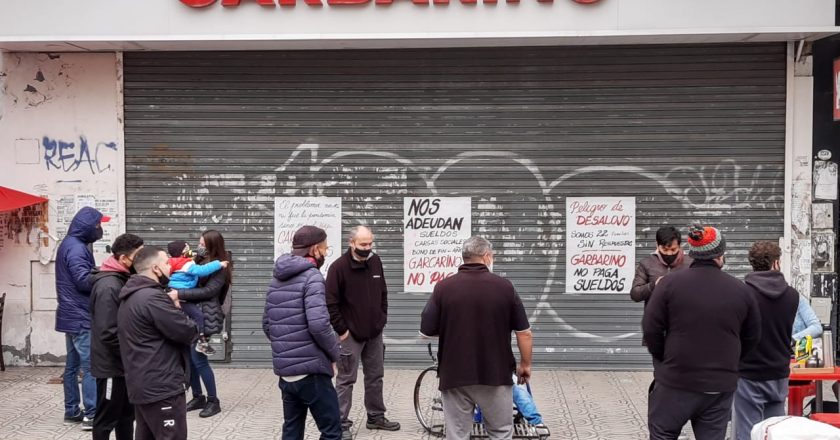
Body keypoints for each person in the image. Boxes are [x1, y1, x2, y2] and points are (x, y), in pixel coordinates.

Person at [643, 224, 761, 440]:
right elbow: (752, 337)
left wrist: (664, 360)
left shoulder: (669, 285)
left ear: (691, 253)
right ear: (720, 254)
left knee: (662, 434)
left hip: (675, 381)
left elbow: (651, 329)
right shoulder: (741, 290)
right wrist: (730, 364)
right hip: (718, 388)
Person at [420, 236, 533, 440]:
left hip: (454, 375)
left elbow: (425, 331)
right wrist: (525, 365)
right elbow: (524, 333)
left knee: (457, 434)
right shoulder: (505, 287)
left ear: (464, 258)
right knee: (500, 432)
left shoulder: (443, 288)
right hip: (496, 375)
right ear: (487, 257)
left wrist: (453, 326)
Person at [263, 225, 342, 440]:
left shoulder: (277, 278)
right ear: (315, 249)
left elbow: (267, 324)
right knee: (333, 431)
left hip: (287, 374)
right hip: (312, 372)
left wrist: (287, 347)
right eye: (325, 248)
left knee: (292, 429)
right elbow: (319, 325)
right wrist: (334, 354)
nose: (326, 253)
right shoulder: (312, 277)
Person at [118, 246, 199, 440]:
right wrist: (178, 308)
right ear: (155, 268)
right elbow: (187, 331)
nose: (170, 267)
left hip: (144, 383)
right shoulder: (153, 298)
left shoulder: (131, 295)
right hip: (161, 387)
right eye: (166, 263)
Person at [326, 225, 399, 438]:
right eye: (363, 244)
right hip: (349, 335)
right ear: (351, 243)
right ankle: (340, 423)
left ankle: (375, 417)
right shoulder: (338, 268)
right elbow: (330, 302)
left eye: (370, 244)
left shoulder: (375, 262)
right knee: (346, 379)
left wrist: (381, 319)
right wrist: (341, 330)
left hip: (374, 333)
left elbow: (383, 293)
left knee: (376, 376)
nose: (368, 248)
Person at [733, 241, 798, 440]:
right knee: (775, 431)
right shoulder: (792, 296)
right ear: (776, 263)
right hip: (778, 371)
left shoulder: (741, 294)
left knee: (748, 431)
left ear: (752, 264)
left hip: (748, 372)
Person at [56, 206, 109, 429]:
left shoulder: (70, 244)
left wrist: (94, 270)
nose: (100, 228)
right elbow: (82, 280)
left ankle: (71, 411)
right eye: (98, 225)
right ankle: (92, 414)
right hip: (80, 315)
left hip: (70, 314)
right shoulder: (77, 248)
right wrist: (104, 273)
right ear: (88, 226)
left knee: (71, 366)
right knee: (90, 366)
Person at [169, 230, 232, 418]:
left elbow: (209, 291)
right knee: (189, 358)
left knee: (199, 359)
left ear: (212, 245)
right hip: (189, 314)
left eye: (203, 243)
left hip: (206, 315)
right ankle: (198, 396)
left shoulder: (221, 266)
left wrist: (179, 294)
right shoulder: (196, 260)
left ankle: (213, 400)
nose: (199, 246)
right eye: (199, 242)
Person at [89, 233, 144, 440]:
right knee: (106, 419)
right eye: (138, 256)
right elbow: (108, 332)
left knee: (126, 416)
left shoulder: (120, 279)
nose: (142, 260)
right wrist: (132, 355)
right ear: (123, 259)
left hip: (123, 365)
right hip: (111, 366)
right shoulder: (109, 286)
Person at [166, 240, 229, 355]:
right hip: (181, 295)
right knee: (198, 315)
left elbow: (193, 258)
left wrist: (198, 256)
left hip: (178, 293)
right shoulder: (184, 264)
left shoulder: (173, 262)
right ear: (181, 252)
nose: (191, 250)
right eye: (187, 248)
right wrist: (218, 264)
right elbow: (201, 271)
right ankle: (201, 341)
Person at [631, 226, 693, 306]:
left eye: (673, 249)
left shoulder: (691, 263)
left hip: (683, 316)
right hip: (656, 317)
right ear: (657, 245)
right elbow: (635, 295)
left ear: (679, 245)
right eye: (665, 249)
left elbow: (701, 291)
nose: (669, 253)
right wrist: (654, 285)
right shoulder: (646, 263)